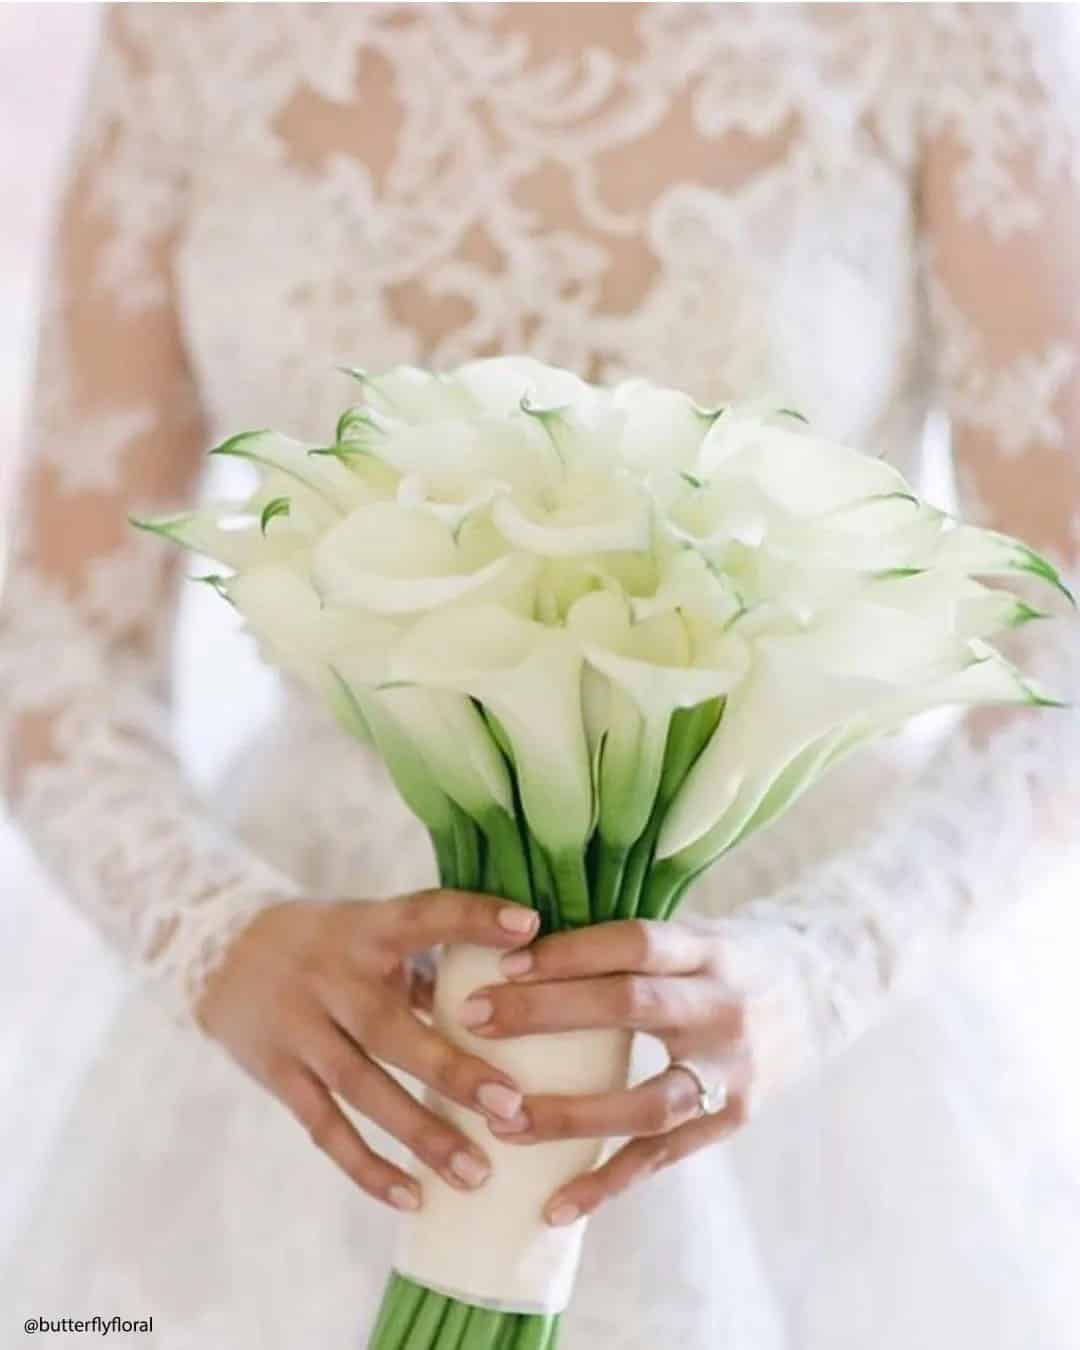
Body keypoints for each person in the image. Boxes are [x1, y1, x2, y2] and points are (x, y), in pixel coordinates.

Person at [2, 5, 1078, 1347]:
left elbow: (1061, 639)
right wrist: (215, 936)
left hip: (766, 1035)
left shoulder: (946, 27)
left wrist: (819, 973)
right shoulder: (189, 29)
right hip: (324, 1028)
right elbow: (56, 640)